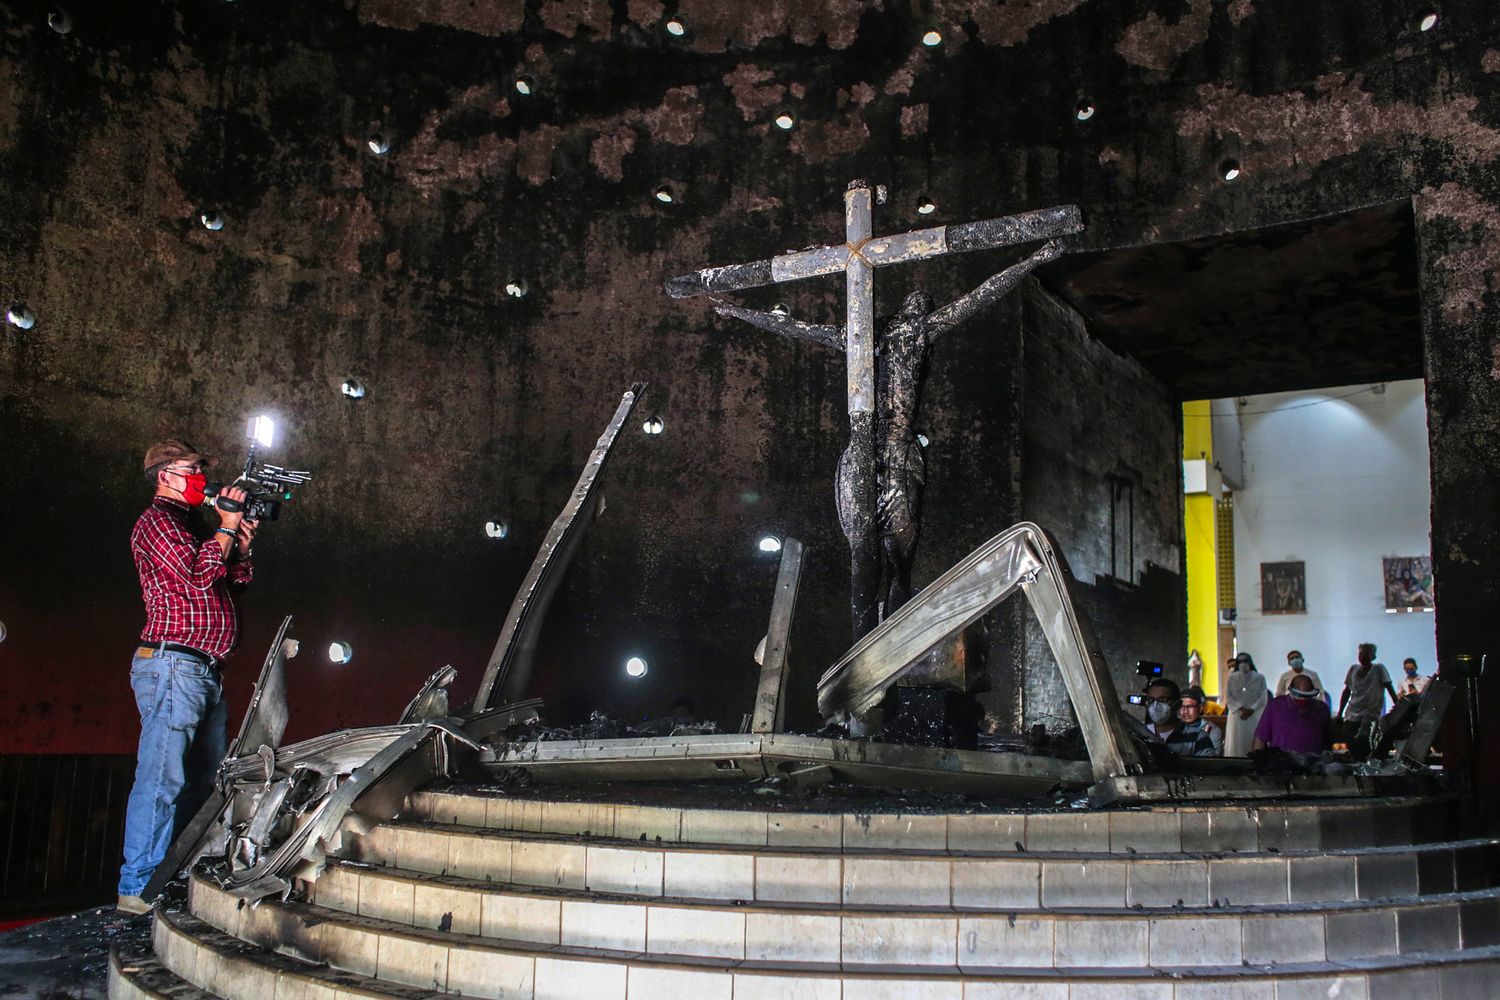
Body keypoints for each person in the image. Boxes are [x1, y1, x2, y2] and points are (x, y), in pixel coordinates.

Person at [117, 440, 255, 914]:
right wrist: (227, 525)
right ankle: (138, 886)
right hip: (173, 664)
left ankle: (176, 872)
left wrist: (238, 545)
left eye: (201, 470)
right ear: (164, 475)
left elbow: (227, 581)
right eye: (191, 470)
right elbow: (196, 576)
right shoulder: (156, 522)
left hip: (203, 670)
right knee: (162, 777)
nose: (201, 478)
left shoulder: (190, 524)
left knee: (205, 781)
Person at [1253, 673, 1331, 754]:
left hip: (1313, 759)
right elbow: (1260, 738)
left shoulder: (1322, 709)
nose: (1303, 701)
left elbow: (1328, 743)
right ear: (1290, 691)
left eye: (1307, 697)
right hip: (1282, 760)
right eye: (1299, 697)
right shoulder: (1276, 707)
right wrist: (1258, 758)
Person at [1141, 678, 1217, 756]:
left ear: (1177, 705)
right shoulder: (1140, 734)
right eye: (1150, 700)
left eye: (1162, 700)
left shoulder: (1197, 736)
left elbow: (1207, 763)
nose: (1155, 705)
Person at [1224, 652, 1269, 756]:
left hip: (1254, 715)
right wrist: (1241, 708)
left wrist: (1251, 709)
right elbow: (1228, 696)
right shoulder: (1231, 678)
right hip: (1236, 715)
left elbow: (1263, 696)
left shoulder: (1259, 678)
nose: (1243, 664)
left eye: (1245, 661)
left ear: (1250, 662)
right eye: (1240, 661)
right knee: (1235, 744)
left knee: (1251, 741)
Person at [1178, 686, 1223, 756]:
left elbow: (1214, 758)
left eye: (1190, 707)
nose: (1185, 711)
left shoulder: (1212, 730)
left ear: (1200, 708)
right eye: (1182, 707)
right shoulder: (1172, 728)